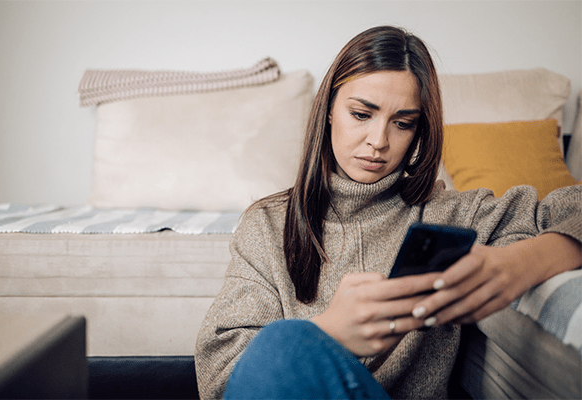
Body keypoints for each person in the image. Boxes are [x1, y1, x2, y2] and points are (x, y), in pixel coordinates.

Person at [195, 26, 582, 399]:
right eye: (362, 115)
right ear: (328, 109)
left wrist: (523, 262)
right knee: (281, 342)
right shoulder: (267, 225)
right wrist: (329, 332)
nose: (378, 141)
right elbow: (219, 380)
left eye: (402, 123)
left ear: (419, 131)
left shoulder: (454, 213)